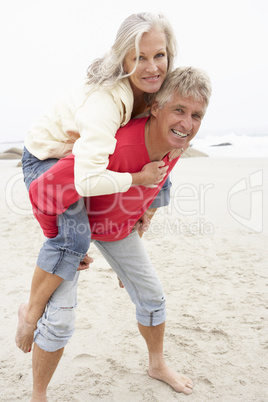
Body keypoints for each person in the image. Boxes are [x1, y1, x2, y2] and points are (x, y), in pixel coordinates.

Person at [26, 67, 212, 400]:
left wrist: (144, 216)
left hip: (115, 228)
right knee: (59, 320)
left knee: (153, 297)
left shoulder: (176, 142)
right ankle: (38, 394)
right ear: (155, 107)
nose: (187, 123)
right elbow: (45, 190)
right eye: (179, 111)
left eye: (196, 115)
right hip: (74, 223)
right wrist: (65, 240)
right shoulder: (116, 144)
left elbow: (159, 183)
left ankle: (157, 364)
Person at [15, 12, 180, 354]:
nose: (152, 67)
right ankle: (30, 312)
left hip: (87, 157)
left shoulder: (156, 90)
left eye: (159, 55)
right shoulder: (105, 102)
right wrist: (138, 178)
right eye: (140, 58)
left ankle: (128, 252)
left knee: (161, 178)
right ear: (124, 58)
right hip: (48, 159)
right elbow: (86, 180)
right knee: (73, 237)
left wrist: (145, 202)